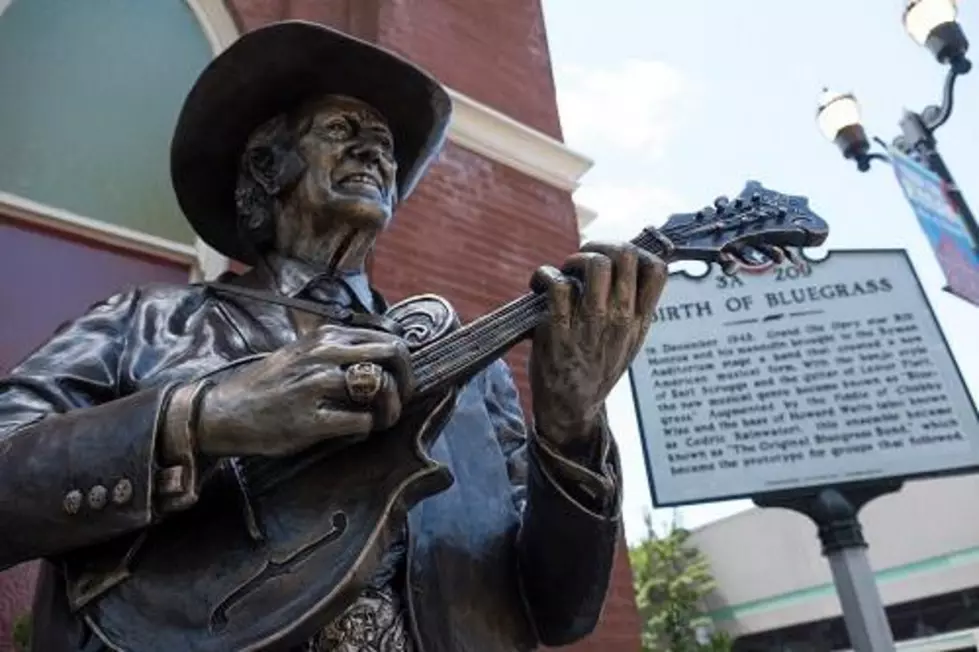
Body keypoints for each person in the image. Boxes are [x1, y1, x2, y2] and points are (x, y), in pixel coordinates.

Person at [0, 21, 666, 652]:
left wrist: (572, 435)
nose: (374, 150)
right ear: (266, 166)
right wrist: (204, 418)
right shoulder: (141, 324)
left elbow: (562, 610)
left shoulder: (471, 374)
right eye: (342, 129)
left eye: (384, 143)